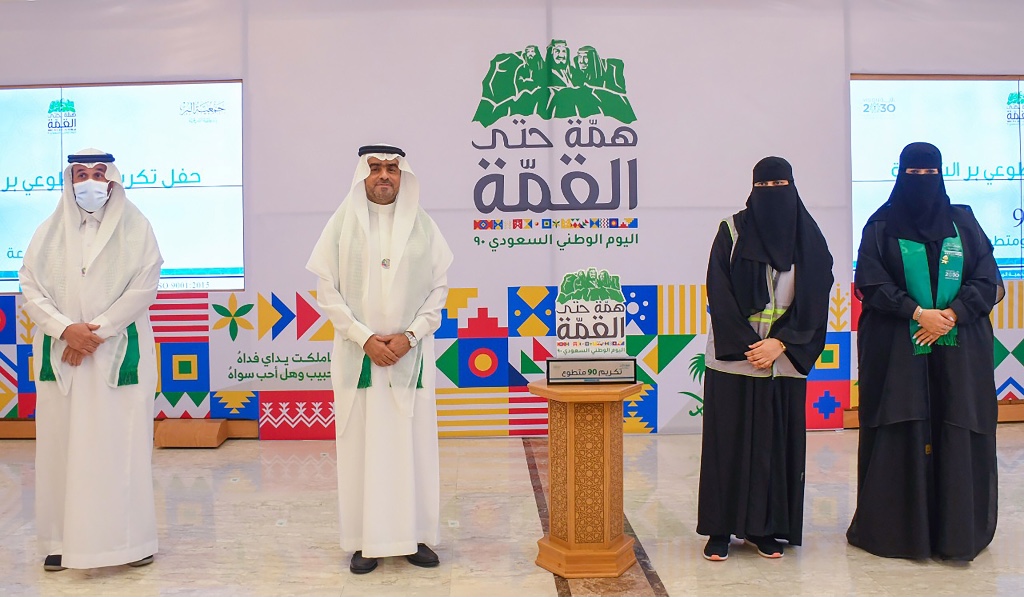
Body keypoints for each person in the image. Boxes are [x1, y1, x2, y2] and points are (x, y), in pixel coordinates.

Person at [847, 142, 1003, 561]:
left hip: (959, 347)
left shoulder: (963, 223)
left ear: (941, 174)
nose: (921, 182)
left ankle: (956, 532)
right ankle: (899, 532)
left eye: (929, 173)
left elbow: (986, 278)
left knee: (956, 421)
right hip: (899, 348)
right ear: (900, 175)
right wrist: (917, 313)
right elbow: (872, 283)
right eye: (913, 174)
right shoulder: (881, 225)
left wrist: (951, 314)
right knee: (902, 425)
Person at [307, 144, 453, 574]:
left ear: (403, 176)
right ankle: (364, 542)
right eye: (375, 168)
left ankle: (414, 537)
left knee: (413, 448)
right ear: (363, 175)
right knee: (362, 450)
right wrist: (364, 338)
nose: (384, 175)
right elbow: (327, 294)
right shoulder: (341, 225)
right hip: (359, 359)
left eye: (392, 168)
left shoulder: (424, 227)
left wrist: (410, 336)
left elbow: (438, 292)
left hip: (411, 357)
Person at [19, 149, 163, 571]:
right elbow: (30, 287)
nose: (90, 182)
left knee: (121, 448)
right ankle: (60, 540)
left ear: (113, 181)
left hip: (117, 355)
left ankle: (130, 542)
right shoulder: (47, 233)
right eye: (81, 174)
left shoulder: (137, 229)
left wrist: (93, 332)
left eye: (99, 174)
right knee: (60, 448)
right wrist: (66, 330)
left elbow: (143, 287)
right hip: (64, 355)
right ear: (69, 182)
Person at [697, 156, 833, 561]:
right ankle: (719, 530)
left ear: (793, 186)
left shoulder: (809, 237)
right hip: (735, 357)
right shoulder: (732, 230)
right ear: (752, 188)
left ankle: (766, 529)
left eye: (780, 185)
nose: (773, 193)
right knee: (727, 444)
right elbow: (718, 290)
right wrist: (749, 346)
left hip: (784, 359)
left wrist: (782, 343)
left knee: (775, 445)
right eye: (764, 186)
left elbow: (816, 297)